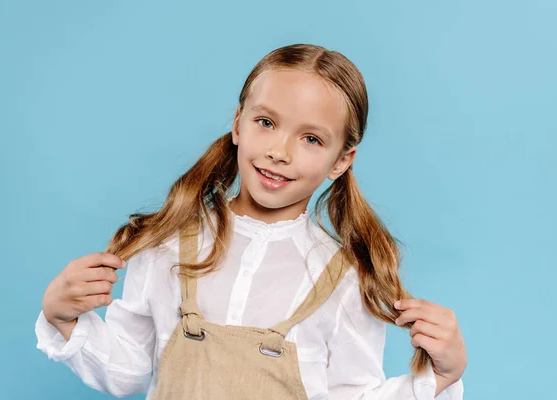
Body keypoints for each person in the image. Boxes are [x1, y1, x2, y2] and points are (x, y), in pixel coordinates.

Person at [35, 43, 466, 399]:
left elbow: (352, 394)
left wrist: (438, 380)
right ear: (238, 123)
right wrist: (62, 317)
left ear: (341, 161)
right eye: (266, 122)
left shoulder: (345, 278)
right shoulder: (168, 243)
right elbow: (127, 370)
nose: (280, 151)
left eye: (311, 139)